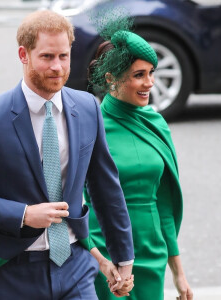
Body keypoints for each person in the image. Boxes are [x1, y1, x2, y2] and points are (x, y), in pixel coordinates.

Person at [0, 10, 134, 300]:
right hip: (10, 272)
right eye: (46, 57)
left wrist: (124, 258)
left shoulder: (88, 108)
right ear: (23, 54)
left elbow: (106, 188)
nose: (57, 67)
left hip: (75, 266)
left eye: (63, 56)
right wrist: (23, 214)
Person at [84, 29, 194, 300]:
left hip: (151, 251)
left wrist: (178, 272)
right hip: (104, 252)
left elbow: (164, 204)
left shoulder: (156, 124)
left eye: (151, 73)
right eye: (138, 75)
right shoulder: (90, 126)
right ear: (111, 79)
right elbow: (76, 202)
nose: (150, 83)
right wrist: (98, 259)